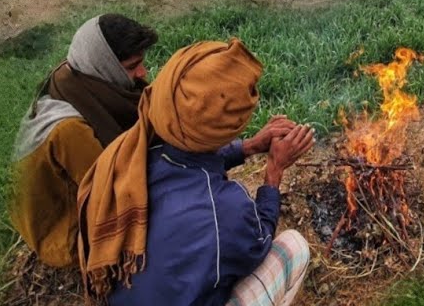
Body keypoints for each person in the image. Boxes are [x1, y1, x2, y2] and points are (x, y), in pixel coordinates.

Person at [76, 38, 315, 306]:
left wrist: (247, 147)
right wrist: (274, 171)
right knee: (294, 247)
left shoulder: (126, 156)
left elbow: (190, 158)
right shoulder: (224, 209)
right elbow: (258, 242)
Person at [8, 14, 158, 270]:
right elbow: (117, 195)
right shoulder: (71, 131)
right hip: (64, 238)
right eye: (133, 66)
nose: (143, 73)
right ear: (105, 67)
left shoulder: (75, 79)